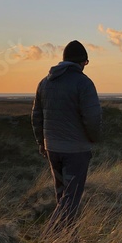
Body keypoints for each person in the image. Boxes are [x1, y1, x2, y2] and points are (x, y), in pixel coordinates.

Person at [31, 40, 102, 231]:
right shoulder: (84, 83)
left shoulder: (44, 83)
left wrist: (41, 142)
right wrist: (93, 138)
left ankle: (67, 241)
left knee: (62, 196)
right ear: (81, 62)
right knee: (71, 199)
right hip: (76, 150)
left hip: (52, 147)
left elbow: (36, 116)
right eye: (86, 63)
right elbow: (92, 117)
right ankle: (49, 237)